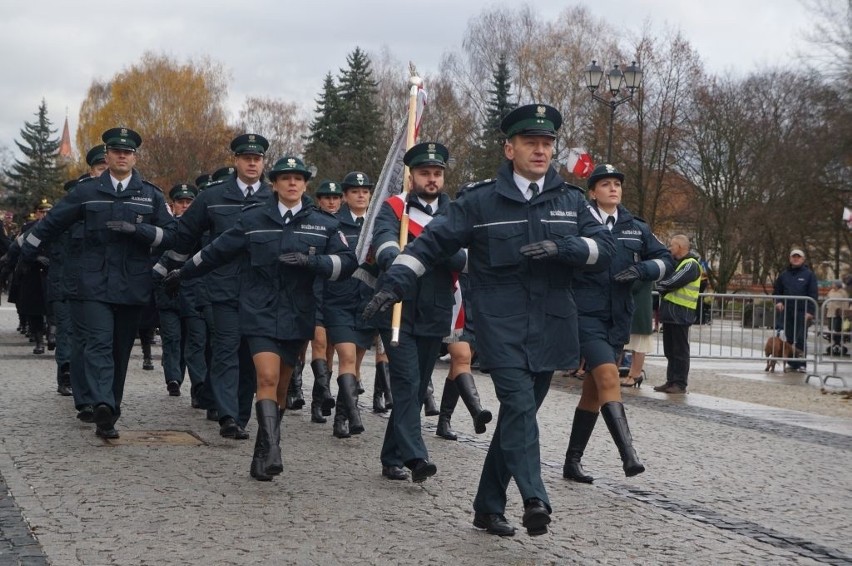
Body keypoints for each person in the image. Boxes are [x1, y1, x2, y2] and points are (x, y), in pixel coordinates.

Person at [363, 104, 615, 537]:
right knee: (517, 406)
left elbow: (605, 250)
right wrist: (395, 283)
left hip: (552, 324)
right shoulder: (480, 201)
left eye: (547, 143)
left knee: (519, 416)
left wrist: (566, 250)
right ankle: (535, 497)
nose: (540, 150)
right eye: (530, 143)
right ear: (509, 147)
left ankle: (487, 505)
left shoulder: (571, 201)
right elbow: (430, 245)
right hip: (500, 325)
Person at [163, 156, 356, 481]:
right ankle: (274, 450)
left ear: (305, 184)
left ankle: (265, 445)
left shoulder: (323, 224)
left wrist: (315, 263)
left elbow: (347, 262)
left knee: (281, 386)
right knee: (265, 377)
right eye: (285, 178)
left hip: (297, 314)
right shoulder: (253, 219)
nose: (292, 183)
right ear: (274, 183)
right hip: (258, 310)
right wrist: (182, 272)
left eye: (298, 178)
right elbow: (216, 251)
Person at [18, 127, 176, 438]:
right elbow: (53, 222)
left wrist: (138, 231)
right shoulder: (87, 191)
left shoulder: (150, 194)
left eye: (127, 151)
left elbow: (171, 234)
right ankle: (102, 402)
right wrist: (26, 251)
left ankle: (109, 410)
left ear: (134, 157)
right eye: (116, 150)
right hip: (92, 282)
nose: (121, 155)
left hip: (132, 284)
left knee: (119, 350)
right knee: (99, 343)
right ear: (107, 155)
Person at [561, 163, 672, 484]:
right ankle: (629, 455)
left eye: (617, 184)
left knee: (594, 391)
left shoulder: (635, 226)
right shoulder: (579, 222)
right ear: (592, 192)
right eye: (605, 184)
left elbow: (665, 259)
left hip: (617, 318)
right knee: (609, 376)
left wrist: (644, 270)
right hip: (585, 313)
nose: (613, 189)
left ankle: (572, 461)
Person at [158, 134, 271, 440]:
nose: (252, 163)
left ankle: (241, 415)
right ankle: (227, 415)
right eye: (246, 157)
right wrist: (169, 268)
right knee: (224, 351)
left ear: (263, 163)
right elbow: (185, 237)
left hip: (261, 291)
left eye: (257, 158)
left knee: (251, 357)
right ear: (235, 160)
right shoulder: (213, 197)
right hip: (222, 287)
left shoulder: (273, 198)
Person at [366, 142, 467, 483]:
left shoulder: (455, 212)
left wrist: (427, 250)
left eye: (437, 173)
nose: (432, 179)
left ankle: (391, 456)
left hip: (435, 309)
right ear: (412, 177)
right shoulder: (394, 208)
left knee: (419, 382)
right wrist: (398, 260)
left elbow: (462, 257)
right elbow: (381, 241)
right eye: (425, 173)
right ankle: (416, 456)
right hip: (397, 307)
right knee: (407, 382)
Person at [322, 174, 383, 437]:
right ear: (345, 196)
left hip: (366, 304)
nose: (361, 195)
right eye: (354, 191)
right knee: (345, 357)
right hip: (339, 301)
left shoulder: (381, 226)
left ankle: (342, 416)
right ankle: (353, 416)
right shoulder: (333, 225)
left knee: (356, 363)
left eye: (365, 191)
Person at [155, 183, 209, 400]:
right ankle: (174, 379)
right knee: (172, 338)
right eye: (181, 202)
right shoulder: (167, 229)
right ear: (173, 205)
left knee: (196, 340)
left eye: (189, 202)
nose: (185, 206)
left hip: (195, 294)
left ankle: (199, 386)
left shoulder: (203, 229)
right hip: (169, 294)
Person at [652, 235, 702, 394]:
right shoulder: (678, 264)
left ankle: (680, 383)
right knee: (670, 350)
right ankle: (671, 380)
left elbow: (673, 282)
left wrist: (661, 285)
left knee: (680, 351)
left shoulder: (690, 264)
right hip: (671, 313)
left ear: (680, 247)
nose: (669, 248)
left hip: (681, 314)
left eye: (672, 245)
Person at [772, 248, 818, 372]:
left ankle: (802, 363)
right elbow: (777, 291)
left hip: (802, 312)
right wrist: (779, 302)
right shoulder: (783, 275)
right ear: (790, 259)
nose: (796, 259)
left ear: (803, 259)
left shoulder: (809, 275)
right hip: (788, 311)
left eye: (798, 257)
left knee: (801, 338)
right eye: (793, 256)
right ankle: (792, 362)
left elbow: (813, 294)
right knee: (790, 337)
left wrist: (810, 311)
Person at [825, 280, 849, 355]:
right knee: (830, 328)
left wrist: (843, 312)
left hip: (838, 314)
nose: (832, 285)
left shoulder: (843, 292)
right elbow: (827, 299)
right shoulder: (831, 291)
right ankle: (835, 343)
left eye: (834, 284)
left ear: (837, 285)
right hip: (830, 313)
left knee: (837, 330)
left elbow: (845, 303)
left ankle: (837, 344)